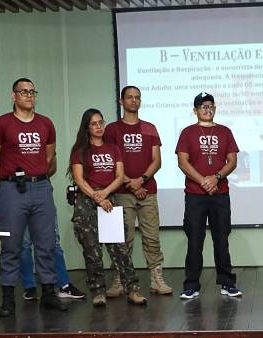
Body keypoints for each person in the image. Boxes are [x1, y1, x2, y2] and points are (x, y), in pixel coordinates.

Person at [0, 78, 67, 317]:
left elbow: (49, 157)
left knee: (46, 242)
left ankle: (48, 293)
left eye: (32, 91)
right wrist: (7, 177)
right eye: (23, 92)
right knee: (11, 244)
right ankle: (8, 298)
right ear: (14, 96)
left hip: (41, 188)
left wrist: (37, 174)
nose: (29, 95)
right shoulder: (0, 124)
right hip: (12, 191)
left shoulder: (46, 123)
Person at [68, 108, 147, 307]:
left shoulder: (113, 148)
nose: (99, 127)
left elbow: (119, 177)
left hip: (110, 200)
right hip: (87, 202)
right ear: (86, 127)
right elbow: (79, 179)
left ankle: (132, 290)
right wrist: (97, 197)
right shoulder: (79, 151)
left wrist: (105, 194)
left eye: (101, 122)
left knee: (120, 249)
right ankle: (98, 291)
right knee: (92, 251)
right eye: (94, 124)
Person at [103, 86, 172, 297]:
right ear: (121, 101)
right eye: (130, 97)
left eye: (137, 97)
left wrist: (140, 181)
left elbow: (157, 161)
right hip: (121, 192)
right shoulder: (112, 130)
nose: (134, 101)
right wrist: (130, 183)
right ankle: (120, 280)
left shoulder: (150, 128)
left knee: (152, 238)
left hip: (147, 191)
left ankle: (156, 280)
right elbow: (109, 161)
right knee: (123, 239)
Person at [175, 92, 241, 300]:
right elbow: (183, 162)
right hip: (195, 195)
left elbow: (232, 161)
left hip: (220, 195)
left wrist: (216, 177)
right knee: (195, 241)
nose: (207, 109)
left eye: (211, 106)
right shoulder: (187, 132)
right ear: (195, 110)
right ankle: (191, 285)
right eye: (203, 106)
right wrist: (203, 181)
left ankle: (227, 283)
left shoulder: (225, 131)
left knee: (222, 240)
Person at [20, 216, 85, 300]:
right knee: (24, 246)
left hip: (45, 208)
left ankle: (64, 285)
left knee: (53, 243)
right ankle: (29, 287)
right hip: (21, 209)